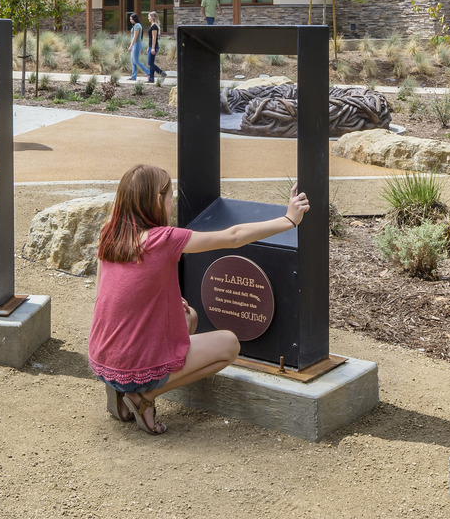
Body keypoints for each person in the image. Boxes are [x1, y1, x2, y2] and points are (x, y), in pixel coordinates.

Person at [88, 163, 310, 435]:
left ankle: (120, 386)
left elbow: (103, 293)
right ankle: (141, 397)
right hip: (133, 363)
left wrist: (164, 303)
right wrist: (288, 220)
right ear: (156, 201)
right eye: (170, 196)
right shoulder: (164, 239)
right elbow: (233, 237)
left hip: (102, 358)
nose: (173, 202)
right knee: (229, 344)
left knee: (188, 316)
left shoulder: (109, 233)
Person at [143, 10, 165, 84]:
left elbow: (154, 38)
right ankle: (151, 79)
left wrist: (152, 48)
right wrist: (149, 47)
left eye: (149, 17)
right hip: (151, 46)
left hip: (154, 46)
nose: (148, 18)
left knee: (150, 63)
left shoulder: (154, 26)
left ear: (152, 17)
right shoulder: (152, 25)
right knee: (151, 63)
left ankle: (162, 73)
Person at [126, 12, 145, 78]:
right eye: (130, 19)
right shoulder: (136, 25)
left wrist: (130, 46)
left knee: (136, 61)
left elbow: (135, 37)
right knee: (133, 61)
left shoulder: (137, 25)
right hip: (135, 44)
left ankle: (148, 72)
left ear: (135, 19)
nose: (130, 20)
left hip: (136, 45)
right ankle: (133, 76)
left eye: (132, 19)